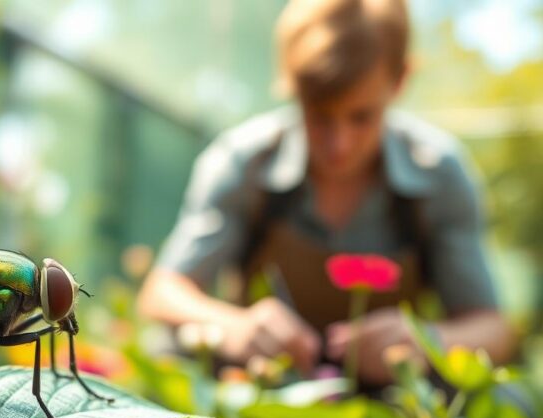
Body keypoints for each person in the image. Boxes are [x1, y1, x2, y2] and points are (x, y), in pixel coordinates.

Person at [137, 0, 515, 385]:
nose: (339, 144)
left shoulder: (439, 174)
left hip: (393, 397)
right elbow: (163, 291)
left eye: (361, 117)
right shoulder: (244, 161)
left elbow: (491, 328)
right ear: (290, 82)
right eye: (319, 115)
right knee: (167, 350)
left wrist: (425, 342)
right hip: (261, 385)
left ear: (400, 80)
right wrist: (233, 325)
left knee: (504, 396)